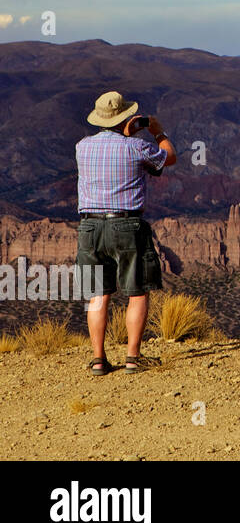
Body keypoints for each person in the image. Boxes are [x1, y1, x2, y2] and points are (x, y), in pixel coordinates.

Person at [75, 91, 177, 374]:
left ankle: (98, 359)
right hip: (127, 225)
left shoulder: (81, 147)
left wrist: (124, 131)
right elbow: (169, 158)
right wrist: (157, 132)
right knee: (137, 291)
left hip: (90, 226)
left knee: (97, 294)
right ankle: (133, 358)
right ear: (125, 117)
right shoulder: (136, 148)